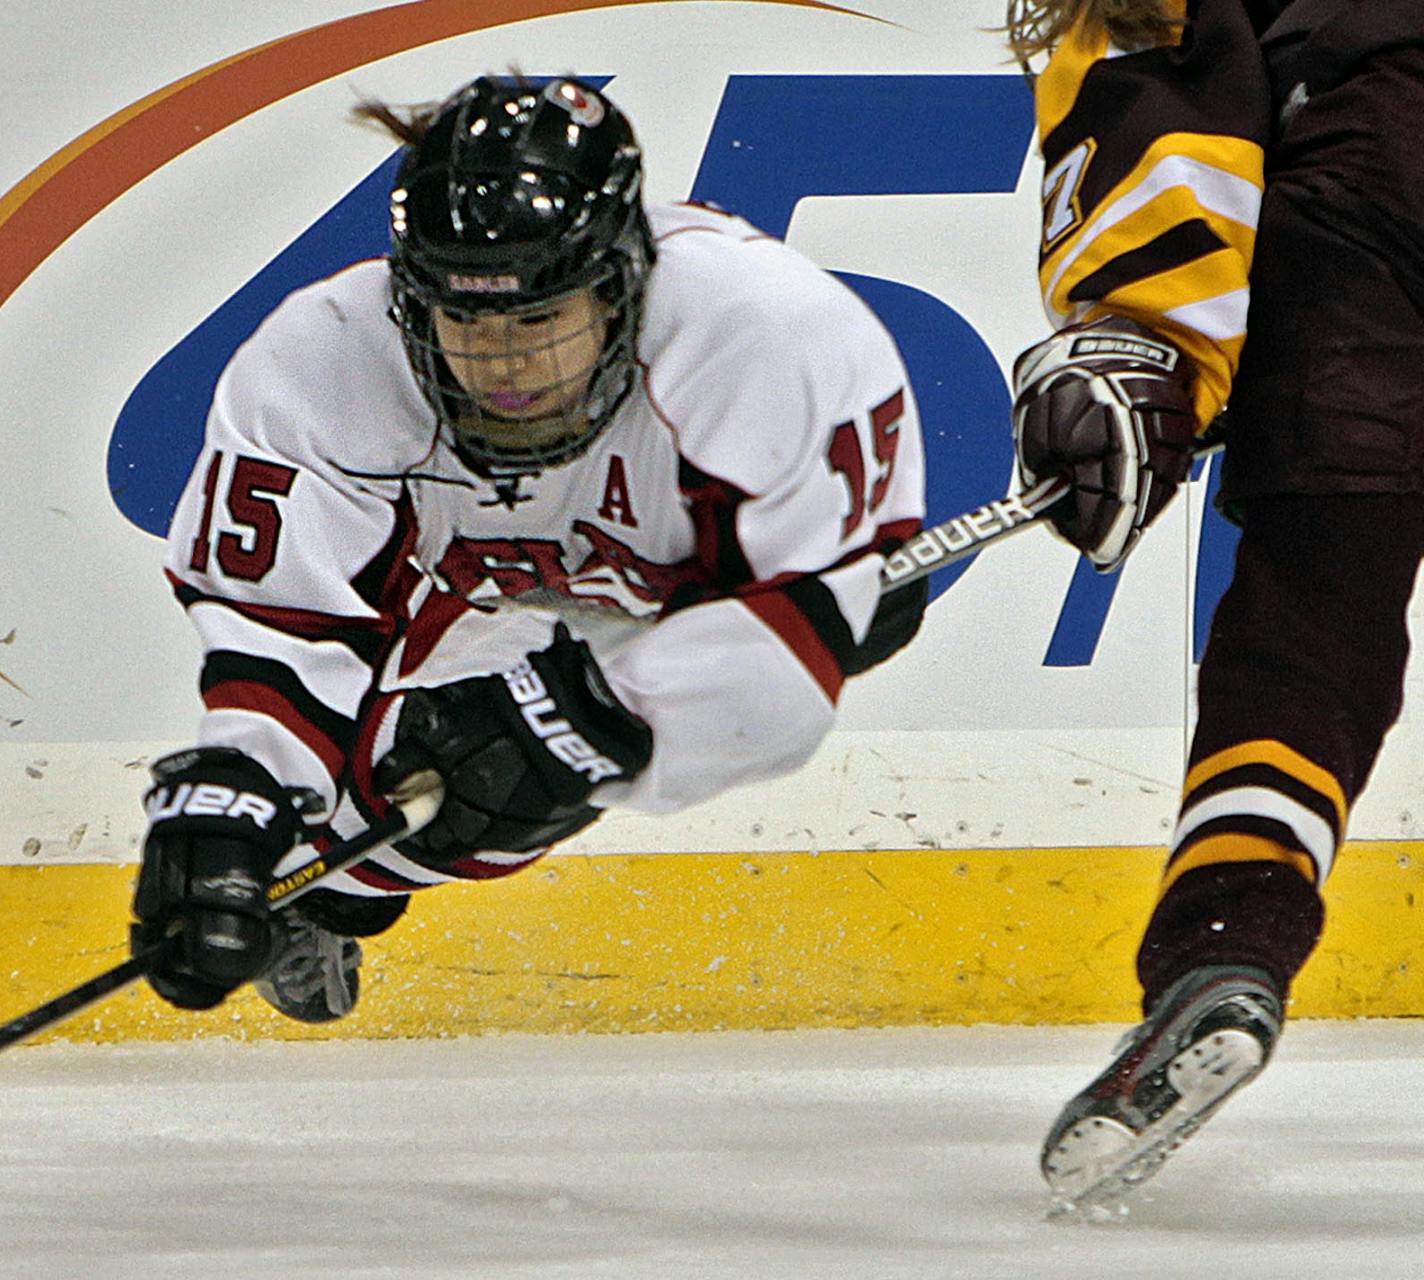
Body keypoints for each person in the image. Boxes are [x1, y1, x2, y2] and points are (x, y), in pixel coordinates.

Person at [129, 75, 928, 1024]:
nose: (504, 363)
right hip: (462, 565)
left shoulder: (763, 336)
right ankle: (324, 885)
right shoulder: (321, 358)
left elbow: (792, 671)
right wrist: (238, 797)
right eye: (467, 320)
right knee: (410, 758)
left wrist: (595, 717)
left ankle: (346, 892)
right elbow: (280, 634)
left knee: (515, 772)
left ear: (622, 280)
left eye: (540, 318)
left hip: (716, 565)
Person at [1007, 0, 1424, 1207]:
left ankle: (1229, 937)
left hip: (1374, 180)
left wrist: (1144, 344)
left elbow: (1155, 63)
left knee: (1316, 618)